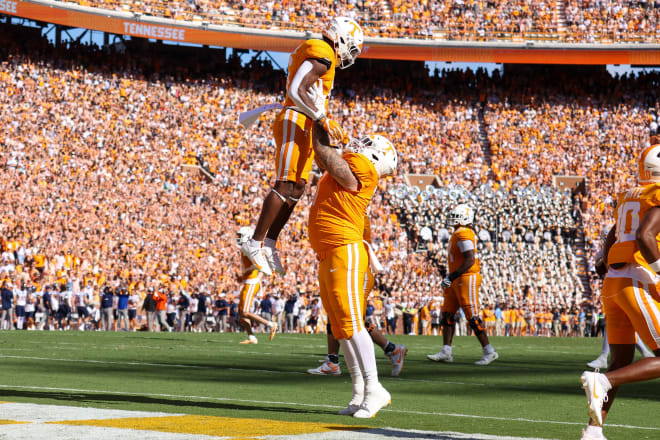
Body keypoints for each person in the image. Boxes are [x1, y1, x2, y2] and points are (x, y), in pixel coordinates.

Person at [240, 17, 364, 276]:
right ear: (339, 38)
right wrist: (322, 118)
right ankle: (254, 243)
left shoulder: (324, 54)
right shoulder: (323, 53)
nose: (350, 56)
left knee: (297, 188)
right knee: (284, 184)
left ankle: (270, 243)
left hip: (306, 122)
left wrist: (321, 119)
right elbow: (297, 90)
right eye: (351, 48)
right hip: (295, 119)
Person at [308, 125, 397, 418]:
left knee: (351, 320)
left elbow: (323, 154)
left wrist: (315, 119)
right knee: (340, 325)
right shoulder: (355, 165)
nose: (358, 142)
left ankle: (375, 388)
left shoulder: (363, 170)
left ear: (374, 154)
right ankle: (359, 390)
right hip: (329, 251)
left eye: (367, 143)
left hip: (345, 248)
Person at [580, 144, 660, 440]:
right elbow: (644, 236)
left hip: (613, 283)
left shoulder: (630, 195)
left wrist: (603, 260)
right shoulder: (656, 194)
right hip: (635, 280)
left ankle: (593, 430)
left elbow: (613, 233)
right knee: (619, 371)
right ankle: (604, 382)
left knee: (621, 360)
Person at [427, 204, 499, 366]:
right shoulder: (458, 233)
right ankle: (446, 351)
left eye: (456, 216)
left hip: (467, 277)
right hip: (456, 278)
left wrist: (451, 275)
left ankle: (489, 351)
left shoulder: (465, 233)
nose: (453, 218)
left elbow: (470, 260)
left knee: (471, 315)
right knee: (447, 314)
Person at [235, 226, 277, 344]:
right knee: (241, 312)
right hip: (249, 280)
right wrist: (243, 275)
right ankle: (251, 337)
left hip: (252, 282)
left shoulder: (248, 247)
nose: (238, 238)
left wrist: (249, 273)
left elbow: (258, 264)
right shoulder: (246, 247)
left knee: (245, 312)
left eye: (240, 236)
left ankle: (271, 324)